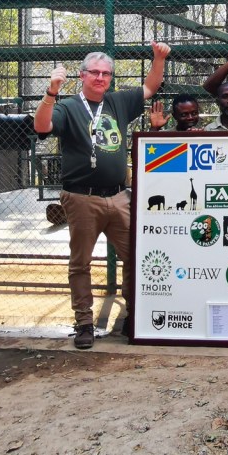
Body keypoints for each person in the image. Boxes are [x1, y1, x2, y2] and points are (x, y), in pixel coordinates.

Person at [33, 42, 171, 349]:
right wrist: (51, 92)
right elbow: (41, 126)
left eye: (106, 73)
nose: (100, 78)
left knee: (135, 255)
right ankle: (84, 322)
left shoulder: (117, 101)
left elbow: (150, 87)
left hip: (119, 196)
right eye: (94, 72)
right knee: (80, 263)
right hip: (82, 197)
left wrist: (159, 58)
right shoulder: (69, 106)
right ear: (82, 75)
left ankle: (134, 314)